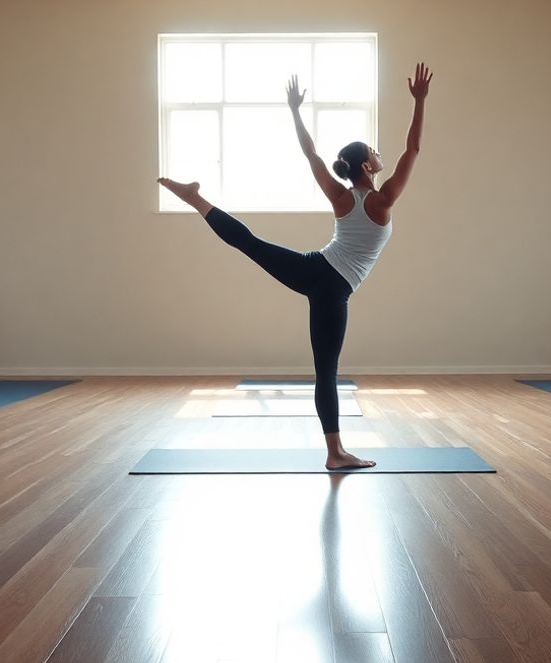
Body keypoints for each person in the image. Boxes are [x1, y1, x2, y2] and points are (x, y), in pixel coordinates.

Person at [159, 62, 432, 470]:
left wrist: (294, 111)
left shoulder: (343, 198)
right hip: (332, 287)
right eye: (374, 151)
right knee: (326, 370)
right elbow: (412, 150)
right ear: (366, 166)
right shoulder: (382, 200)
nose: (380, 153)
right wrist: (420, 102)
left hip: (314, 269)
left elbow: (311, 154)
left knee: (250, 244)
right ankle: (335, 453)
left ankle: (197, 199)